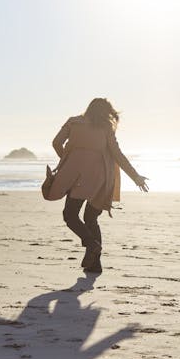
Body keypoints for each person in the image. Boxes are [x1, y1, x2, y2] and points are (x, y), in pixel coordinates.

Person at [47, 98, 148, 273]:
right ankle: (95, 264)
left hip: (77, 177)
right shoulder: (106, 128)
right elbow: (118, 155)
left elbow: (56, 143)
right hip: (101, 179)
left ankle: (92, 245)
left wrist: (68, 160)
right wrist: (136, 177)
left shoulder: (73, 122)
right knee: (91, 218)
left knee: (70, 215)